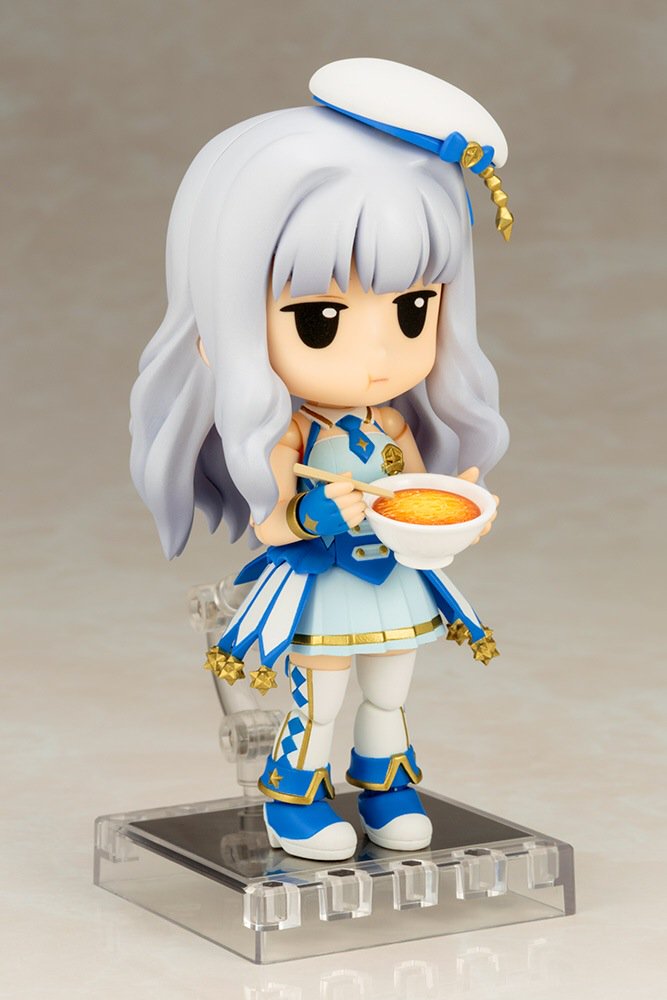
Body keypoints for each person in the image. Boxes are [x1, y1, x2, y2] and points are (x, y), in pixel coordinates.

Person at [130, 58, 511, 861]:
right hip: (322, 583)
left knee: (391, 686)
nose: (378, 356)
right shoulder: (288, 436)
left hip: (392, 576)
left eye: (412, 309)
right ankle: (294, 798)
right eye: (319, 319)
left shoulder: (390, 420)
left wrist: (455, 512)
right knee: (322, 696)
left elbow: (414, 488)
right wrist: (314, 510)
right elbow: (273, 525)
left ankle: (385, 783)